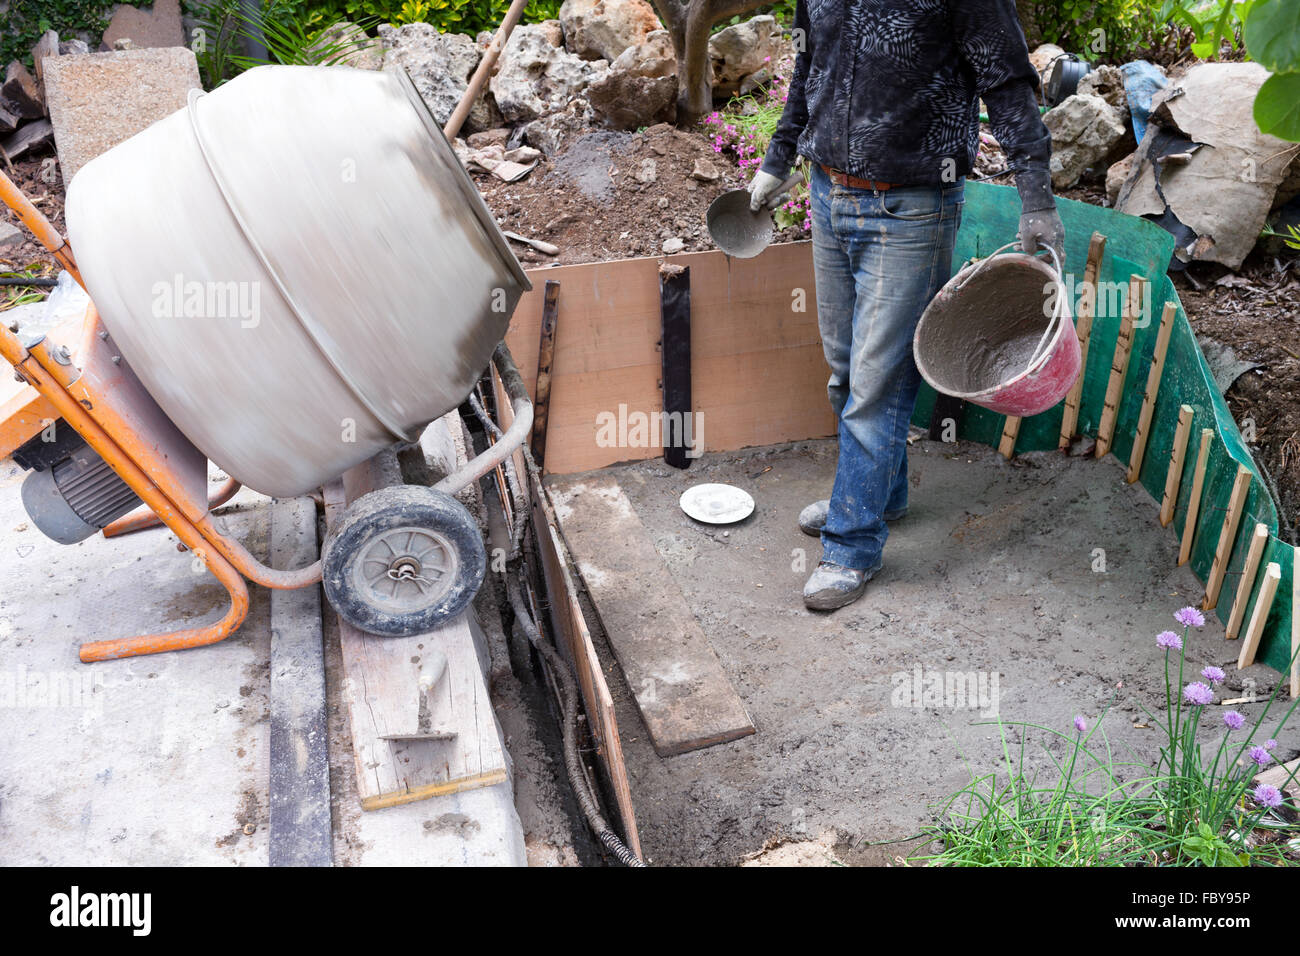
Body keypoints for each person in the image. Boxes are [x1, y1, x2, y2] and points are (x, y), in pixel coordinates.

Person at [749, 0, 1065, 611]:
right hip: (829, 192)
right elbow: (808, 66)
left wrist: (1036, 197)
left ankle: (851, 546)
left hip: (911, 207)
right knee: (846, 372)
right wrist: (777, 158)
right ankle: (880, 495)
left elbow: (1006, 79)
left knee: (879, 384)